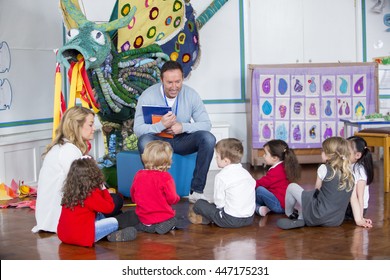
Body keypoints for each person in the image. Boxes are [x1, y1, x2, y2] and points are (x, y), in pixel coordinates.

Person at [133, 60, 216, 204]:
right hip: (158, 140)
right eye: (169, 82)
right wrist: (160, 125)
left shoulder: (191, 95)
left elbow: (206, 124)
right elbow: (138, 129)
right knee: (143, 141)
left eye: (178, 82)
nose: (174, 87)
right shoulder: (147, 95)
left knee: (208, 139)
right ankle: (155, 190)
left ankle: (196, 191)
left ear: (182, 78)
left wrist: (182, 127)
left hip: (182, 140)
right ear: (161, 80)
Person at [32, 106, 123, 233]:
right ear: (77, 126)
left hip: (51, 217)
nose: (94, 129)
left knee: (114, 202)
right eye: (90, 125)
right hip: (59, 218)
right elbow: (86, 189)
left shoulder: (62, 147)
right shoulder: (69, 151)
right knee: (116, 201)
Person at [277, 136, 373, 230]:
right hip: (335, 221)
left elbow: (316, 191)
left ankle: (290, 213)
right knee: (310, 201)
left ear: (329, 154)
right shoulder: (350, 174)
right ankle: (302, 217)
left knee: (292, 186)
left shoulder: (324, 169)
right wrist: (359, 220)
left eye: (322, 150)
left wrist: (305, 199)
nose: (321, 153)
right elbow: (354, 199)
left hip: (318, 214)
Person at [57, 156, 137, 247]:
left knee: (104, 215)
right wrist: (103, 189)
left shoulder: (70, 191)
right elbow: (109, 208)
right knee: (127, 216)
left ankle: (108, 234)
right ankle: (109, 234)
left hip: (64, 235)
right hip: (83, 237)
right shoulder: (90, 193)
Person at [188, 138, 256, 228]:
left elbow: (219, 202)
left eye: (217, 157)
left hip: (230, 220)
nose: (216, 158)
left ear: (226, 161)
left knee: (199, 204)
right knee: (211, 205)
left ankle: (207, 220)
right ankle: (209, 219)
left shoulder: (221, 176)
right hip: (249, 218)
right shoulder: (247, 174)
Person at [131, 140, 180, 234]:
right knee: (173, 218)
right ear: (167, 160)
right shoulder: (166, 177)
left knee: (143, 220)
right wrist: (177, 198)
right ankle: (163, 226)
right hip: (162, 217)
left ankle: (147, 226)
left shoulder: (138, 175)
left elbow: (133, 195)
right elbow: (172, 198)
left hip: (144, 217)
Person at [255, 139, 301, 217]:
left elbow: (260, 183)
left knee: (259, 191)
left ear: (275, 158)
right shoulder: (285, 166)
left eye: (265, 154)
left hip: (279, 206)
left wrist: (248, 183)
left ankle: (257, 208)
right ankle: (266, 208)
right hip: (286, 205)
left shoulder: (276, 171)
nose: (263, 156)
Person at [345, 135, 374, 220]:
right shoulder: (351, 164)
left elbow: (360, 197)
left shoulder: (360, 170)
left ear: (357, 155)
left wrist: (360, 218)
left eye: (346, 152)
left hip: (357, 208)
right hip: (351, 205)